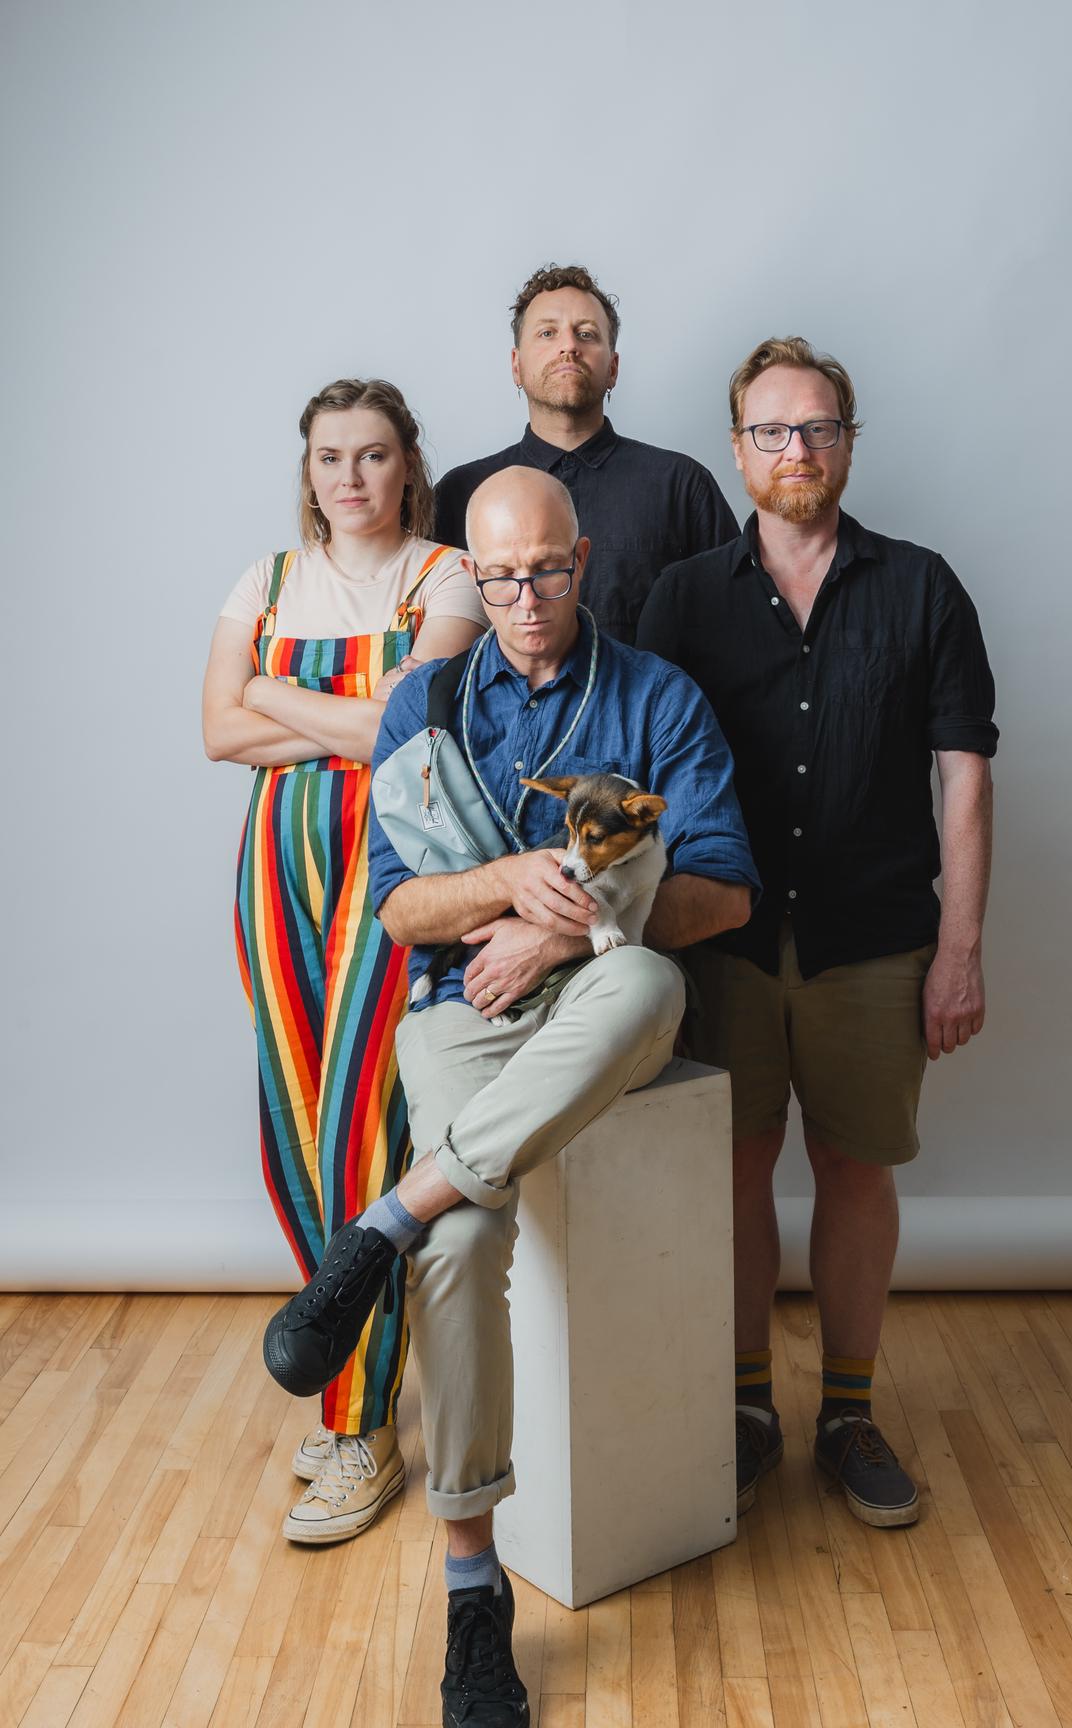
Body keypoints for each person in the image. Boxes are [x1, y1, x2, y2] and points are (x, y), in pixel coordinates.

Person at [263, 467, 759, 1725]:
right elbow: (398, 907)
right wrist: (514, 881)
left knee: (650, 987)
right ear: (467, 577)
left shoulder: (659, 696)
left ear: (583, 560)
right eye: (499, 577)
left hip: (596, 1001)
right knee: (463, 1244)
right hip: (461, 1017)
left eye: (546, 570)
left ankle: (385, 1217)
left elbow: (726, 891)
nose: (525, 599)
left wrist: (573, 922)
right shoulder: (424, 701)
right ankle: (475, 1593)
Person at [637, 337, 997, 1530]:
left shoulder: (923, 586)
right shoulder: (682, 597)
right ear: (738, 449)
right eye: (774, 432)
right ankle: (748, 1411)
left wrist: (960, 949)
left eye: (820, 429)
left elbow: (963, 779)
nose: (799, 451)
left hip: (877, 937)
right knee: (736, 1171)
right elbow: (645, 781)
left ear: (849, 440)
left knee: (854, 1168)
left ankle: (848, 1413)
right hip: (724, 944)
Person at [202, 379, 486, 1544]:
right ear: (307, 469)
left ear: (409, 464)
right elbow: (216, 732)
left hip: (389, 864)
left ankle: (359, 1427)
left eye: (374, 456)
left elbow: (406, 731)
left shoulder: (448, 574)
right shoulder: (263, 582)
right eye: (332, 458)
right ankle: (353, 1393)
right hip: (274, 870)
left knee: (360, 1124)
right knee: (289, 1122)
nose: (352, 478)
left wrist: (276, 686)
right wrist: (338, 707)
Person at [433, 262, 738, 645]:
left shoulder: (680, 486)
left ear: (612, 368)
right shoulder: (461, 493)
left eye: (586, 334)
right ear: (516, 366)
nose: (568, 346)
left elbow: (736, 624)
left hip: (650, 705)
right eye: (547, 333)